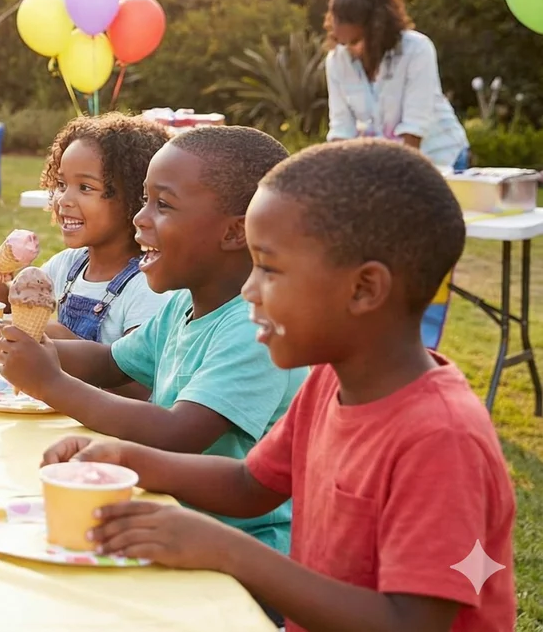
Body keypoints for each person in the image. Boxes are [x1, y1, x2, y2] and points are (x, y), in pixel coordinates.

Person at [56, 141, 515, 632]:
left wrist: (227, 550)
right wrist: (129, 460)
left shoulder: (441, 438)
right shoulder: (326, 384)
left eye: (269, 269)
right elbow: (251, 484)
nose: (250, 290)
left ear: (363, 289)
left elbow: (411, 622)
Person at [0, 126, 306, 558]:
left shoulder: (253, 329)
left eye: (163, 205)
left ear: (235, 232)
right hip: (164, 519)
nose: (140, 218)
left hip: (241, 552)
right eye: (144, 200)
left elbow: (180, 433)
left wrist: (51, 383)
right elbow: (109, 362)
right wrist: (24, 347)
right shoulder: (182, 304)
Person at [0, 113, 171, 344]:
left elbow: (135, 374)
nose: (64, 199)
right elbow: (11, 311)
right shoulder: (65, 266)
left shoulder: (148, 286)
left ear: (136, 198)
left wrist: (63, 341)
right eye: (62, 184)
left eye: (85, 187)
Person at [325, 0, 469, 169]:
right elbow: (341, 129)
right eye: (344, 42)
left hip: (440, 157)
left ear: (378, 28)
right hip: (387, 166)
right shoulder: (337, 61)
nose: (351, 50)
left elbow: (414, 130)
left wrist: (396, 183)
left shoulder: (417, 49)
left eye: (356, 41)